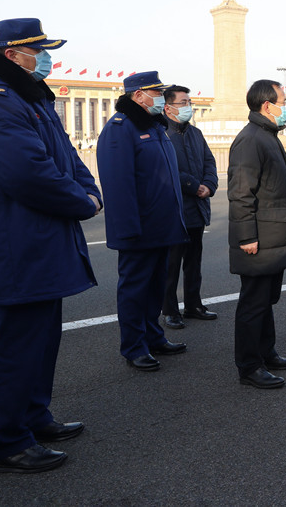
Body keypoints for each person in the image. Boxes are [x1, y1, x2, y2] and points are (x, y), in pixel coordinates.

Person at [0, 18, 102, 473]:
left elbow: (68, 157)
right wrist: (81, 203)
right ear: (13, 54)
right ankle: (10, 442)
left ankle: (34, 418)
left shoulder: (26, 94)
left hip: (40, 240)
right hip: (16, 244)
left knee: (42, 340)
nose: (47, 58)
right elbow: (26, 172)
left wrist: (90, 189)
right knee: (17, 346)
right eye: (39, 50)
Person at [97, 71, 189, 372]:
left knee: (155, 287)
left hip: (162, 226)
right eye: (156, 92)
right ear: (138, 95)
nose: (161, 98)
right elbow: (117, 184)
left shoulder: (154, 126)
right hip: (139, 228)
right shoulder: (120, 129)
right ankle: (134, 346)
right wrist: (128, 230)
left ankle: (153, 336)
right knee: (134, 289)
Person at [227, 80, 286, 389]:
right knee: (253, 303)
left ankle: (266, 351)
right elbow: (241, 192)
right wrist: (246, 238)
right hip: (259, 237)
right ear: (267, 105)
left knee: (265, 301)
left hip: (274, 234)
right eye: (283, 100)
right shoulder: (251, 140)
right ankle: (249, 365)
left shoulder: (267, 135)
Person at [162, 85, 219, 329]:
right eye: (183, 103)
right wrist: (194, 185)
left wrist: (208, 184)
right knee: (171, 264)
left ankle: (194, 304)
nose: (189, 107)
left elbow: (209, 161)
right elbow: (168, 167)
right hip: (175, 209)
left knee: (194, 262)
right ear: (168, 107)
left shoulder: (195, 133)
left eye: (189, 102)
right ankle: (170, 310)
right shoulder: (161, 133)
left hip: (197, 207)